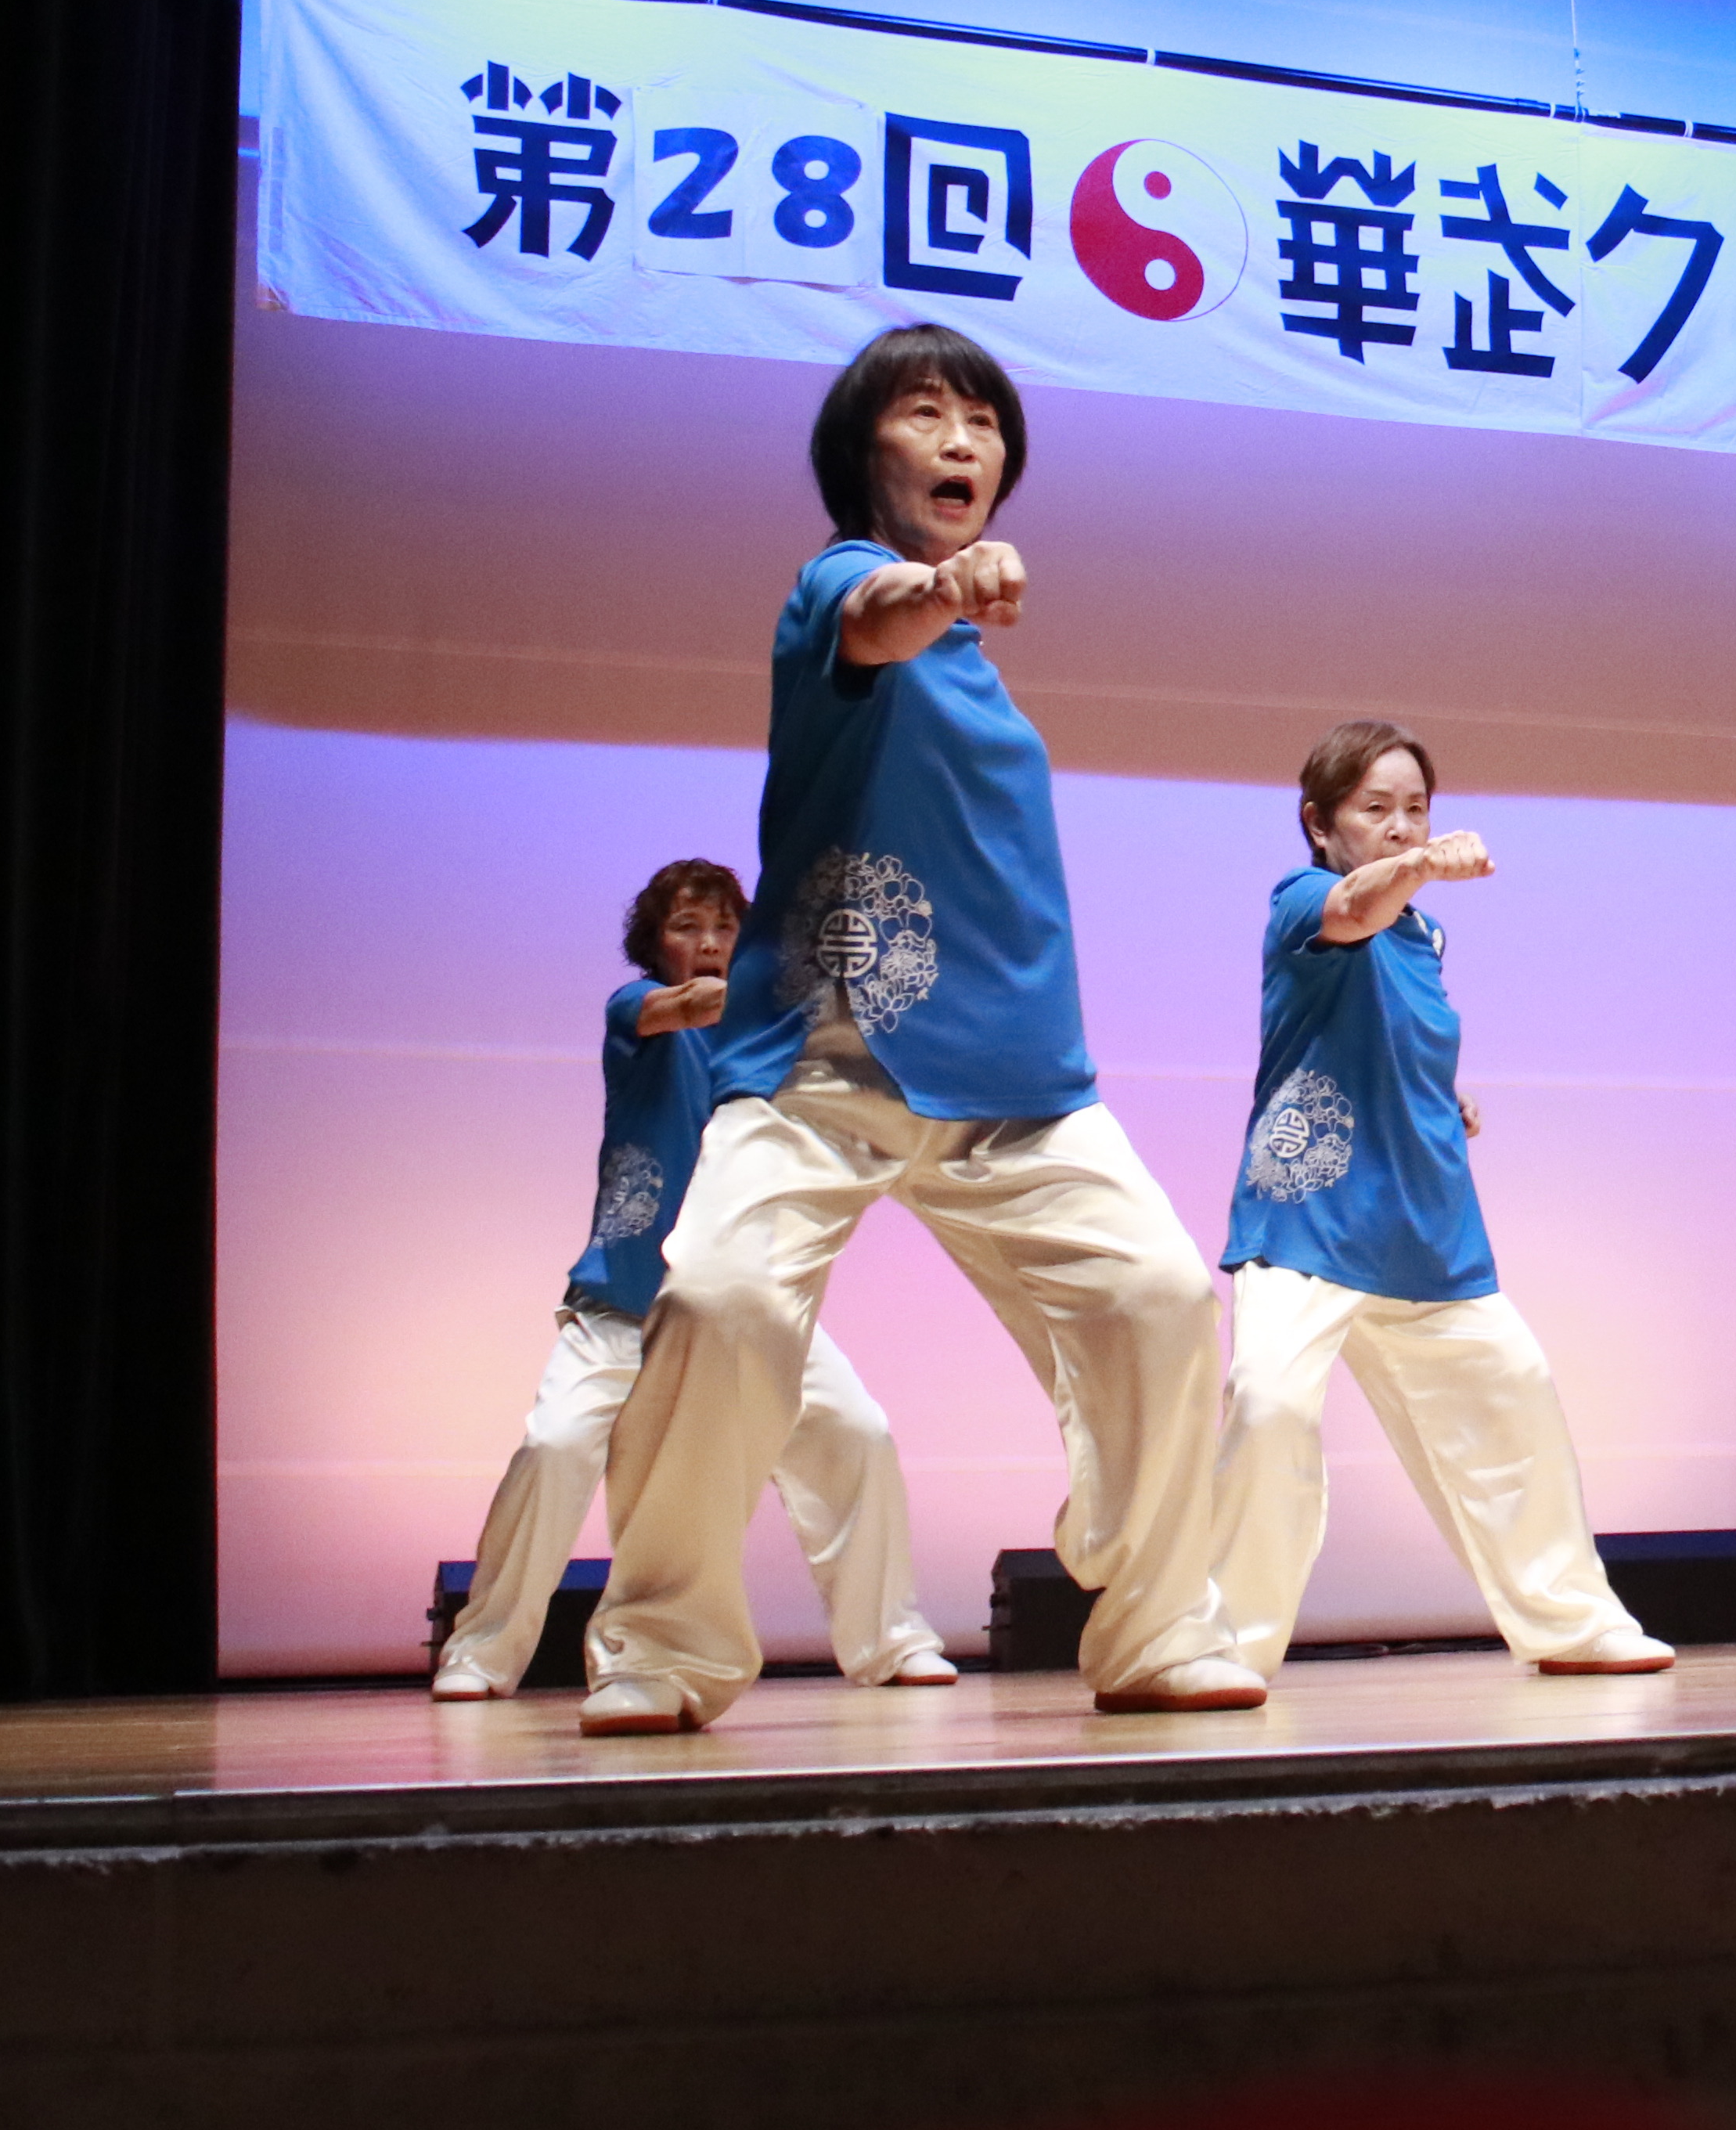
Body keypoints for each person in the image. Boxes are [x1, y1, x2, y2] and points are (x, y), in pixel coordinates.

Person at [575, 325, 1259, 1731]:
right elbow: (880, 611)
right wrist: (938, 584)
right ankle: (663, 1646)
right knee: (719, 1301)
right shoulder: (840, 584)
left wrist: (952, 606)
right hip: (826, 1064)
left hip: (1016, 1082)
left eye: (985, 422)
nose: (962, 440)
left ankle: (1155, 1624)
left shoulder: (978, 678)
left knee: (1161, 1299)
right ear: (860, 455)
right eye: (927, 413)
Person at [1212, 719, 1674, 1679]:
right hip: (1308, 1219)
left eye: (1416, 810)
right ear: (1319, 822)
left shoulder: (1425, 935)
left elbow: (1392, 1034)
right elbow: (1355, 908)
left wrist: (1438, 1097)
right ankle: (1227, 1647)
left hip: (1424, 1226)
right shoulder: (1303, 899)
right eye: (1375, 808)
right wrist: (1421, 864)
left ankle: (1573, 1624)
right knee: (1268, 1404)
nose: (1400, 826)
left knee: (1515, 1397)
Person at [433, 858, 953, 1701]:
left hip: (746, 1308)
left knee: (857, 1433)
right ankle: (481, 1653)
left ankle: (892, 1641)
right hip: (622, 1309)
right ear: (656, 944)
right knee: (553, 1449)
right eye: (687, 927)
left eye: (725, 928)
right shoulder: (636, 1008)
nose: (709, 942)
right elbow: (694, 1005)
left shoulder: (771, 1045)